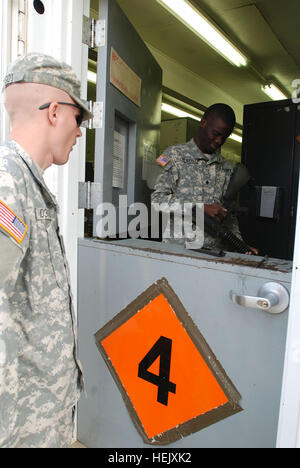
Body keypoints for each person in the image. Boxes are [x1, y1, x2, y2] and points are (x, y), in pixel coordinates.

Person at [0, 52, 93, 448]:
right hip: (19, 422)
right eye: (78, 119)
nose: (79, 132)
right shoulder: (8, 182)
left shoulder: (26, 183)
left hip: (37, 415)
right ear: (54, 112)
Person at [152, 103, 257, 254]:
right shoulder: (173, 156)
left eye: (224, 137)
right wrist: (199, 208)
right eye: (216, 133)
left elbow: (230, 217)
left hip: (216, 254)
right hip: (179, 251)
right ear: (203, 123)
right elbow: (157, 201)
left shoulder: (226, 168)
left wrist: (241, 247)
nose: (219, 141)